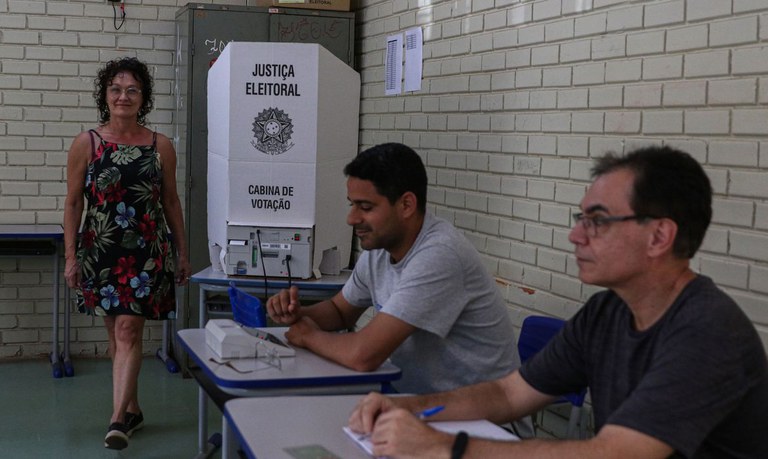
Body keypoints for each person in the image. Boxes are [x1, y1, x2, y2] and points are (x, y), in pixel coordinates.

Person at [348, 146, 768, 459]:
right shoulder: (607, 312)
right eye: (580, 218)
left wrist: (446, 447)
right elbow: (509, 395)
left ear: (659, 237)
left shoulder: (707, 331)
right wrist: (409, 407)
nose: (576, 236)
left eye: (597, 221)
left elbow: (614, 453)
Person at [266, 143, 531, 434]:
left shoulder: (439, 255)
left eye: (365, 207)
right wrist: (298, 313)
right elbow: (339, 311)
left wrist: (308, 335)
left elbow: (363, 355)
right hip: (418, 408)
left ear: (406, 205)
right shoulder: (380, 248)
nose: (352, 218)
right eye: (351, 204)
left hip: (485, 425)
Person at [63, 57, 191, 450]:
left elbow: (170, 201)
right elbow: (72, 205)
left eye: (132, 90)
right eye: (116, 89)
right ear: (105, 96)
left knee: (128, 329)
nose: (123, 96)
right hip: (101, 249)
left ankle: (117, 419)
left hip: (146, 252)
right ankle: (132, 406)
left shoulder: (160, 146)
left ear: (143, 98)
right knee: (116, 337)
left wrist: (182, 252)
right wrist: (71, 256)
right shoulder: (87, 143)